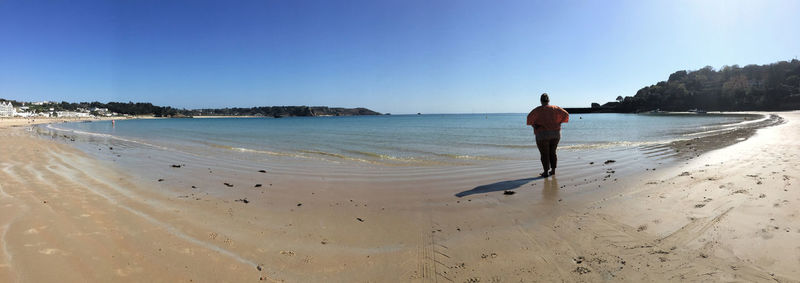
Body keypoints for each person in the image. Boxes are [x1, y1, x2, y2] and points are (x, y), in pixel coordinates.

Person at [526, 93, 569, 177]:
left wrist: (535, 125)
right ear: (549, 100)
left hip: (542, 134)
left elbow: (529, 118)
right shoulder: (555, 108)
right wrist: (559, 122)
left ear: (540, 100)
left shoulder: (537, 110)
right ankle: (553, 170)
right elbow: (566, 114)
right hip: (555, 134)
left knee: (544, 154)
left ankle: (545, 172)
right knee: (553, 152)